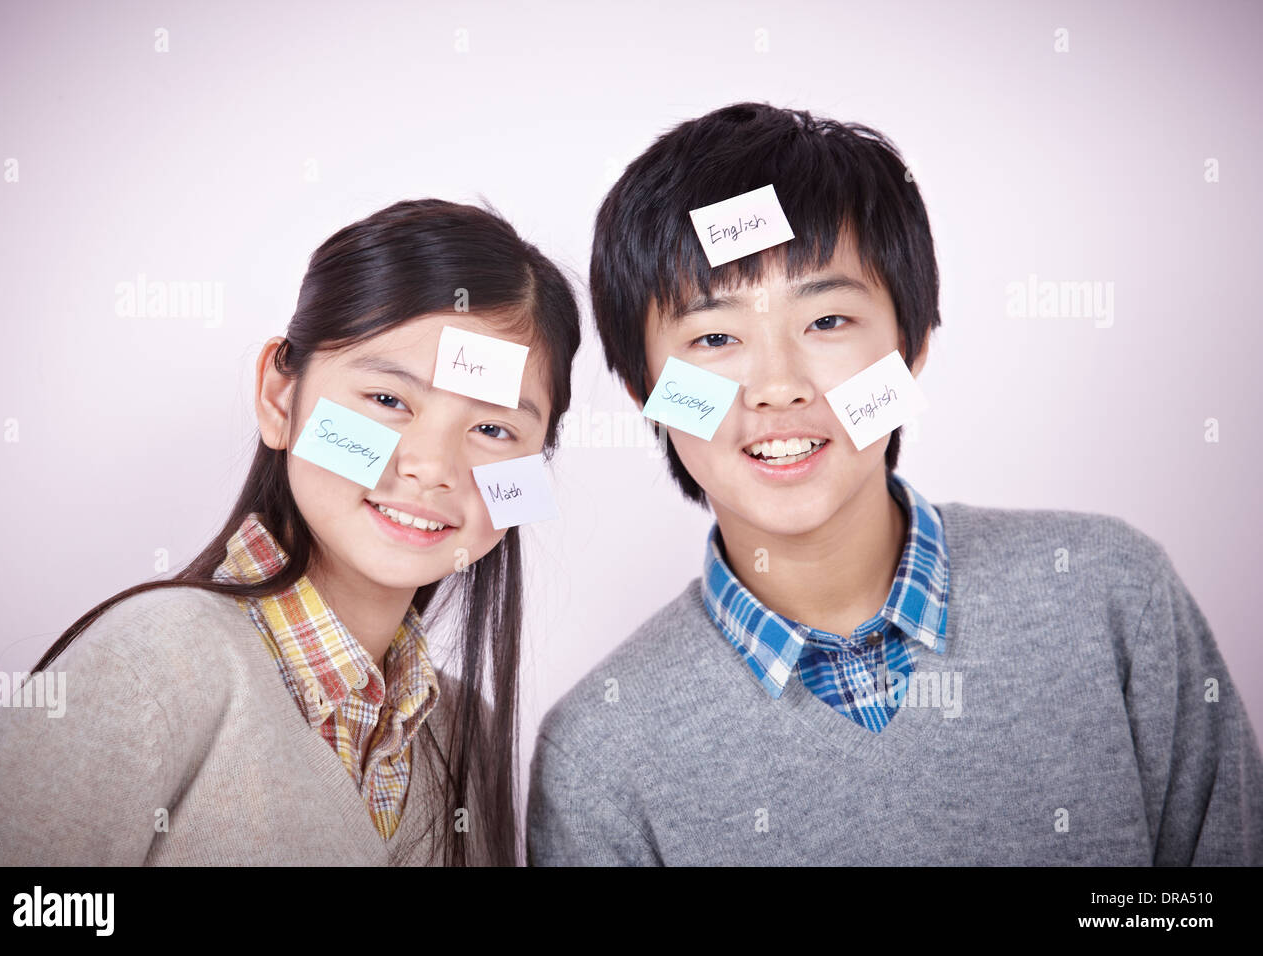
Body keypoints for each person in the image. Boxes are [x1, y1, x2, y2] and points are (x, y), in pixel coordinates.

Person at [526, 102, 1263, 865]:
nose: (776, 387)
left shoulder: (1111, 596)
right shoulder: (599, 758)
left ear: (911, 349)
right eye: (715, 338)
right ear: (648, 390)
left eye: (828, 322)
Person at [0, 198, 580, 866]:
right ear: (279, 398)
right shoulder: (154, 663)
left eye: (493, 431)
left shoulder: (467, 732)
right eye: (388, 400)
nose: (432, 467)